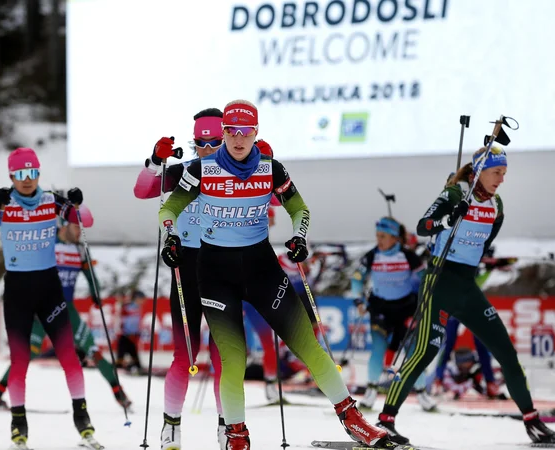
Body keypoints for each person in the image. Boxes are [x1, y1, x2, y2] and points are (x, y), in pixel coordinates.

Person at [158, 100, 393, 450]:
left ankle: (353, 419)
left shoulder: (271, 169)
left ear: (256, 132)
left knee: (308, 346)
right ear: (223, 132)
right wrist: (172, 235)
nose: (238, 139)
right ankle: (236, 435)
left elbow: (299, 208)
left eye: (245, 132)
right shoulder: (201, 169)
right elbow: (169, 206)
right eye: (231, 132)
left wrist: (299, 236)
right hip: (214, 273)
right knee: (234, 358)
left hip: (261, 268)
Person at [375, 146, 555, 446]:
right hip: (438, 280)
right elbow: (424, 227)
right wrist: (448, 221)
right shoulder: (455, 195)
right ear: (480, 171)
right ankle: (385, 421)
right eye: (497, 172)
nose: (501, 179)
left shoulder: (497, 205)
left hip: (466, 286)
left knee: (506, 352)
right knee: (424, 353)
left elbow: (488, 237)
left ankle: (532, 421)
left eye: (504, 173)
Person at [0, 147, 100, 448]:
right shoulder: (5, 204)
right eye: (20, 174)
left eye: (32, 173)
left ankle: (82, 419)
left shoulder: (52, 202)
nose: (27, 180)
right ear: (11, 176)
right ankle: (19, 426)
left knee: (69, 355)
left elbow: (88, 221)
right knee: (20, 361)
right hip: (17, 291)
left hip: (48, 288)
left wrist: (76, 203)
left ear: (38, 173)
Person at [133, 107, 226, 449]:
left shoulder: (240, 176)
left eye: (214, 143)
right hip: (186, 264)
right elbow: (143, 191)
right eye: (200, 144)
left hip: (226, 265)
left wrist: (268, 166)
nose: (206, 151)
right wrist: (154, 162)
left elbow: (274, 201)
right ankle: (170, 427)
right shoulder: (184, 171)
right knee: (185, 355)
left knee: (225, 356)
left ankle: (227, 427)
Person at [0, 218, 132, 411]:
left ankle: (119, 393)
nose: (80, 232)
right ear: (64, 225)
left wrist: (96, 293)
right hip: (40, 307)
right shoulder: (46, 243)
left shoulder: (79, 250)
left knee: (92, 350)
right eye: (76, 227)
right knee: (26, 354)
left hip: (66, 309)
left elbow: (91, 276)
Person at [349, 217, 435, 412]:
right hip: (380, 309)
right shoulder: (372, 255)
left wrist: (426, 300)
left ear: (395, 238)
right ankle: (371, 393)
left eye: (383, 236)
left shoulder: (408, 256)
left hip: (406, 309)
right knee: (378, 349)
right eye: (377, 236)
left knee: (413, 353)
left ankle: (422, 393)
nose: (379, 240)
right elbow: (357, 279)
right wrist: (359, 300)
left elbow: (424, 279)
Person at [431, 246, 517, 399]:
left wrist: (489, 267)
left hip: (471, 305)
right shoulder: (455, 258)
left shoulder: (473, 259)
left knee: (482, 343)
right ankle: (438, 381)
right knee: (448, 343)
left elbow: (476, 284)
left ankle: (490, 383)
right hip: (453, 306)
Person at [115, 289, 144, 374]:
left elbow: (136, 321)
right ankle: (120, 367)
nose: (142, 301)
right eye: (141, 299)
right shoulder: (128, 306)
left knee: (133, 352)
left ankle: (136, 366)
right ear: (136, 298)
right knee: (122, 352)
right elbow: (124, 319)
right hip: (126, 335)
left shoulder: (138, 307)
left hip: (133, 335)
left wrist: (137, 332)